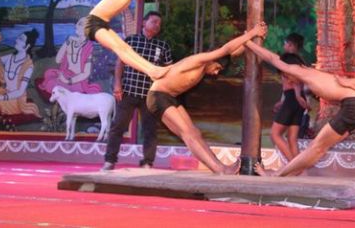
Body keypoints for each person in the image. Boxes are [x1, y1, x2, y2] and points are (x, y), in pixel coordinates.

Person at [123, 23, 267, 174]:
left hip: (169, 97)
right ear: (212, 60)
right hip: (158, 96)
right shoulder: (199, 60)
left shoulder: (206, 65)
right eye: (217, 68)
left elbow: (232, 52)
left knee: (195, 133)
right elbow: (226, 49)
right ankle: (219, 169)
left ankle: (220, 167)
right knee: (188, 134)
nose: (216, 73)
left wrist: (253, 38)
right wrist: (252, 33)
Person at [245, 40, 355, 177]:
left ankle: (277, 175)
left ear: (290, 68)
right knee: (318, 150)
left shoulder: (298, 70)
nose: (289, 80)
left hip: (353, 107)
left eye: (286, 75)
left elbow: (272, 58)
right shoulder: (310, 73)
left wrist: (248, 42)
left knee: (316, 148)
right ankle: (289, 173)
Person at [102, 11, 173, 171]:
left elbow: (168, 70)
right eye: (154, 22)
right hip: (128, 91)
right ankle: (109, 161)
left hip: (150, 95)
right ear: (143, 23)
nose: (157, 25)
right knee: (118, 126)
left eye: (159, 23)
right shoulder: (131, 41)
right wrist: (117, 85)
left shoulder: (163, 46)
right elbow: (120, 64)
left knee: (150, 130)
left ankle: (147, 163)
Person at [0, 29, 41, 118]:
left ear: (27, 46)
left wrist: (1, 98)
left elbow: (20, 92)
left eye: (20, 39)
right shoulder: (10, 57)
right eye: (18, 38)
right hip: (5, 91)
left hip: (16, 99)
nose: (17, 40)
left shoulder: (28, 66)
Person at [270, 33, 309, 161]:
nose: (284, 46)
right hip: (294, 98)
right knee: (292, 138)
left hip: (293, 98)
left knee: (275, 134)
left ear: (291, 44)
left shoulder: (290, 59)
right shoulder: (300, 61)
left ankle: (293, 166)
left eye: (285, 43)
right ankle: (299, 169)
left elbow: (295, 79)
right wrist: (283, 101)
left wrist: (297, 96)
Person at [38, 16, 100, 94]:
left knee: (53, 85)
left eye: (80, 24)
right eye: (77, 23)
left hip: (77, 79)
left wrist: (68, 81)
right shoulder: (70, 41)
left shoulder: (88, 47)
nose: (76, 26)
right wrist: (67, 41)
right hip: (65, 73)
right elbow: (58, 60)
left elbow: (86, 73)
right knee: (49, 76)